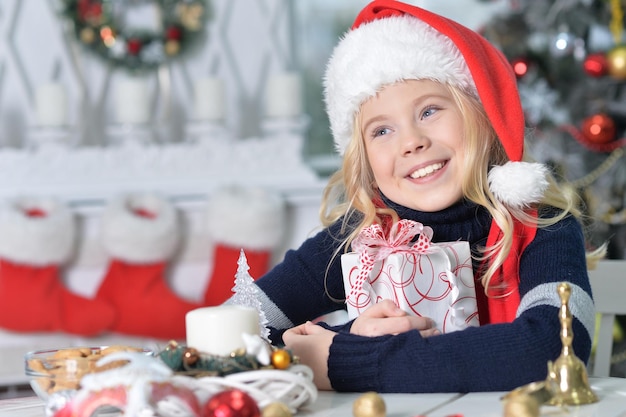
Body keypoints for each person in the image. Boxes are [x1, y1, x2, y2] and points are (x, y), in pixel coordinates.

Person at [239, 0, 603, 393]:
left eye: (429, 111)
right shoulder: (354, 237)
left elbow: (554, 348)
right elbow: (233, 330)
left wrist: (345, 360)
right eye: (381, 131)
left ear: (482, 114)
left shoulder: (542, 225)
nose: (412, 142)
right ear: (364, 159)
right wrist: (345, 334)